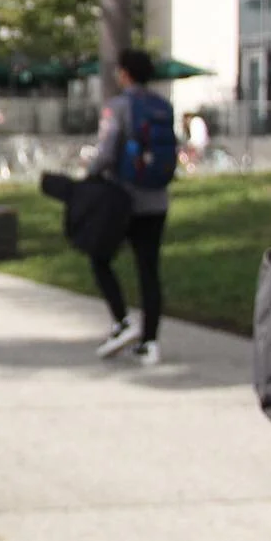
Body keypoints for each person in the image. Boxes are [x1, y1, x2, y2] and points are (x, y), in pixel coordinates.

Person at [88, 48, 172, 366]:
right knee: (149, 271)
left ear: (125, 73)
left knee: (100, 258)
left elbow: (108, 151)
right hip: (157, 200)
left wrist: (90, 174)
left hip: (123, 201)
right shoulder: (162, 106)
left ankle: (122, 321)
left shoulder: (118, 107)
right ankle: (150, 342)